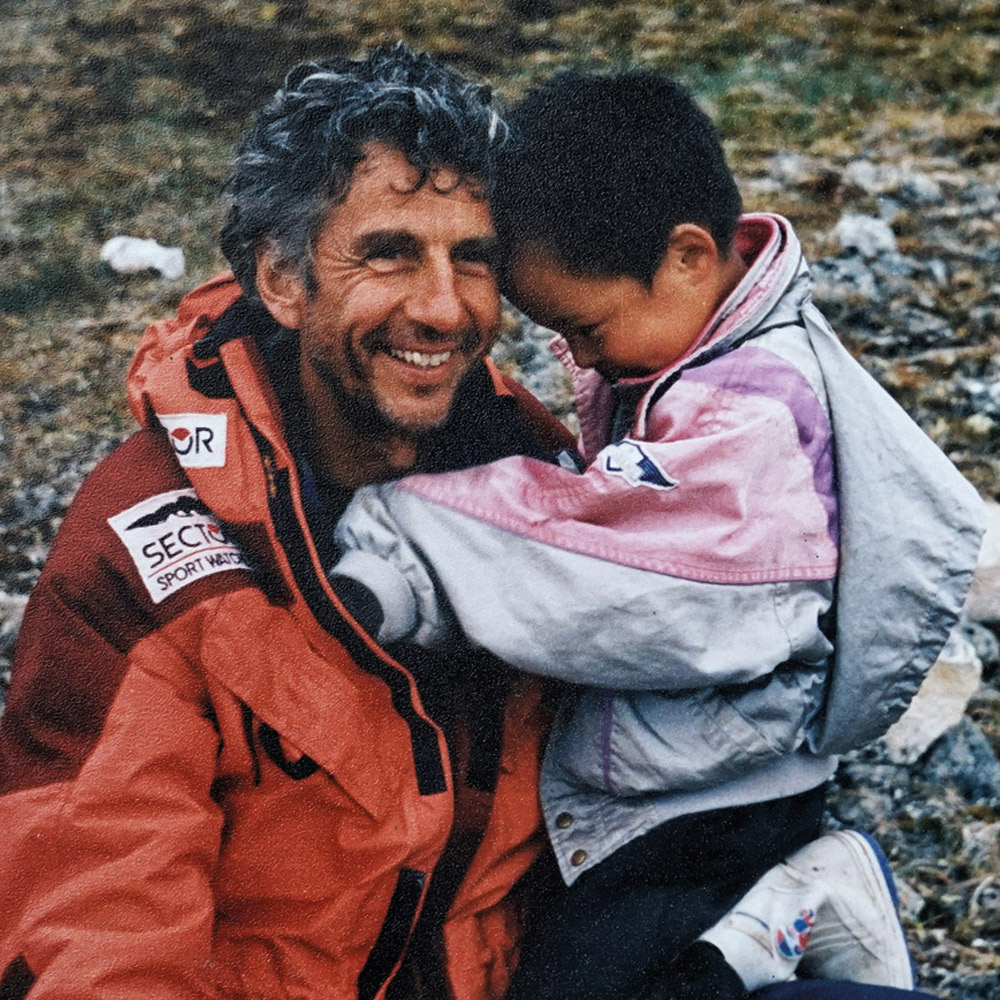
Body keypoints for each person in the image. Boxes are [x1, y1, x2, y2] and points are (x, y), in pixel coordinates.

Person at [326, 70, 985, 1000]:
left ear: (684, 257)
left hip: (711, 800)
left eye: (584, 327)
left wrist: (408, 549)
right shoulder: (705, 352)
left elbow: (618, 552)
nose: (579, 357)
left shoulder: (751, 419)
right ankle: (774, 922)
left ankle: (782, 917)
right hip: (706, 767)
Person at [0, 44, 578, 1000]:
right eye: (389, 252)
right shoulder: (147, 553)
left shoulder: (542, 483)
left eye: (471, 258)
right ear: (282, 279)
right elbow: (95, 925)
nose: (443, 308)